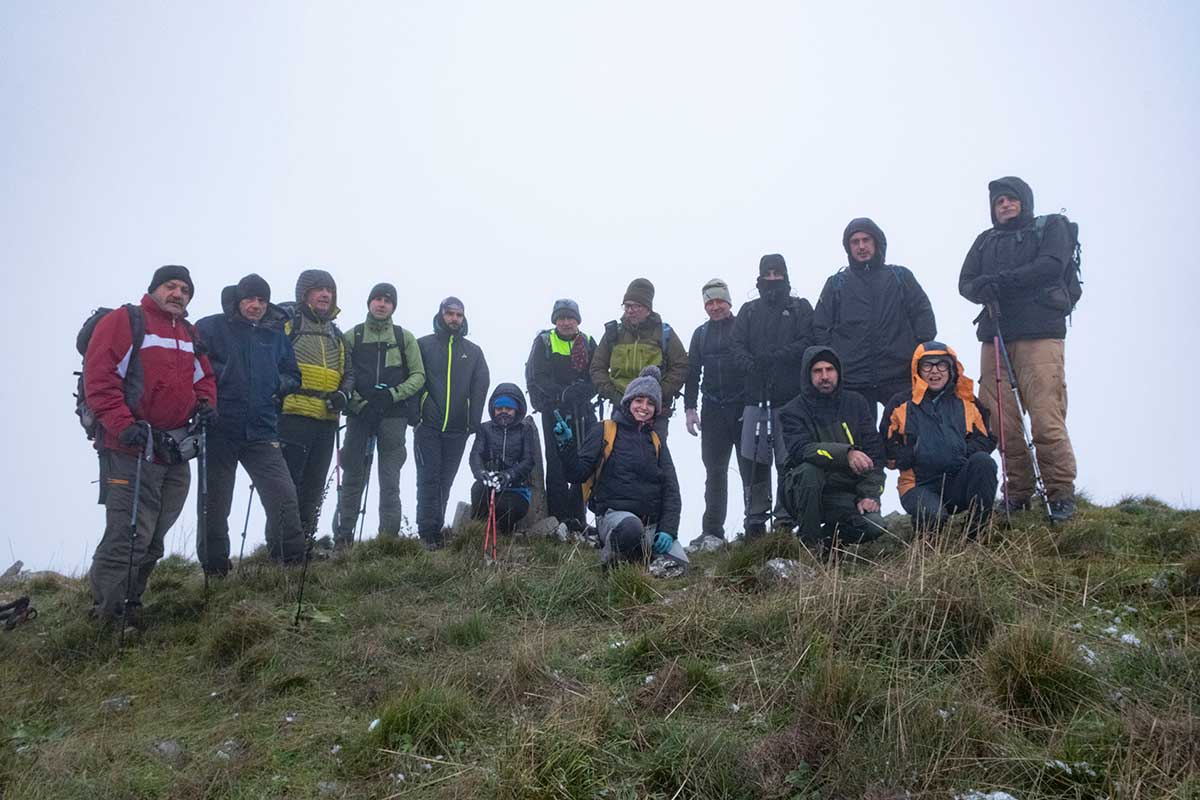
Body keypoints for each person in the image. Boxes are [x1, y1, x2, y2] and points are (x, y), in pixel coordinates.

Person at [84, 265, 217, 625]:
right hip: (129, 448)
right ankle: (107, 616)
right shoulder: (126, 320)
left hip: (173, 449)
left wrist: (206, 407)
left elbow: (203, 377)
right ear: (155, 289)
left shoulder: (189, 333)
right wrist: (122, 425)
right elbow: (100, 376)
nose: (178, 294)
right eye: (170, 286)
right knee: (128, 535)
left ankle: (131, 602)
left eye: (185, 290)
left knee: (154, 536)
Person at [958, 176, 1078, 521]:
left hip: (1040, 334)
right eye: (999, 202)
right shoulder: (985, 241)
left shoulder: (1051, 227)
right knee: (1000, 421)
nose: (1006, 205)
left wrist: (999, 283)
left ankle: (1059, 493)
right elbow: (965, 282)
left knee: (1045, 416)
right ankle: (1018, 492)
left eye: (1012, 199)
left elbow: (1052, 266)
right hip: (994, 335)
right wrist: (987, 287)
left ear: (1025, 202)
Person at [195, 275, 305, 574]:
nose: (255, 305)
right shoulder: (210, 327)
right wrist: (221, 382)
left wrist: (276, 385)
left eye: (261, 300)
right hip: (220, 429)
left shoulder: (275, 335)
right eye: (249, 299)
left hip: (262, 428)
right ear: (238, 299)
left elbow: (293, 375)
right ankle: (215, 568)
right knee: (215, 504)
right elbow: (193, 368)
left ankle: (291, 561)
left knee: (283, 494)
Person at [557, 366, 688, 571]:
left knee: (680, 566)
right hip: (614, 518)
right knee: (630, 529)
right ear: (628, 402)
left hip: (651, 527)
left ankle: (637, 561)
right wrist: (566, 446)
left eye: (650, 403)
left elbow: (671, 490)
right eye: (639, 400)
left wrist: (668, 530)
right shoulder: (605, 429)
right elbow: (577, 473)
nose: (644, 407)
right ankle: (611, 563)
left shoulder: (656, 441)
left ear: (656, 409)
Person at [812, 218, 937, 417]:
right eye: (855, 242)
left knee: (904, 438)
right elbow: (820, 326)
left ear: (877, 242)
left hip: (899, 374)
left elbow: (924, 316)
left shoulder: (900, 277)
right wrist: (836, 359)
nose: (861, 246)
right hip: (853, 378)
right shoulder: (837, 283)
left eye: (866, 240)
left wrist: (916, 351)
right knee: (859, 443)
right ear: (848, 248)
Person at [333, 283, 425, 546]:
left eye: (387, 300)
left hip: (394, 418)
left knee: (390, 480)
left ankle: (388, 540)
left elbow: (418, 376)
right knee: (352, 477)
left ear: (393, 305)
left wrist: (392, 395)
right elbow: (342, 375)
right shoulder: (353, 336)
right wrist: (361, 405)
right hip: (359, 416)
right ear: (369, 302)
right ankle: (343, 537)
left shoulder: (403, 337)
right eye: (377, 299)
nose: (382, 304)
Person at [729, 254, 815, 536]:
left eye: (778, 273)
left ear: (786, 275)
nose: (773, 278)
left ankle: (785, 517)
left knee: (788, 459)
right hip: (754, 397)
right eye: (769, 273)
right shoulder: (748, 311)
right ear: (760, 276)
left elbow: (809, 342)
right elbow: (736, 344)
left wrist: (777, 357)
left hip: (792, 399)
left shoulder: (801, 308)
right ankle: (754, 518)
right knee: (753, 458)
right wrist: (750, 365)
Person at [882, 341, 998, 535]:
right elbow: (885, 444)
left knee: (984, 463)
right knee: (933, 516)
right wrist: (911, 455)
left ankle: (976, 534)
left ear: (952, 368)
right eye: (927, 365)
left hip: (958, 481)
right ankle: (926, 544)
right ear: (917, 370)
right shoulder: (900, 404)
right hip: (917, 485)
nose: (935, 371)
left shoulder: (968, 403)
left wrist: (960, 452)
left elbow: (986, 439)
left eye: (941, 364)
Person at [779, 346, 886, 551]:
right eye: (817, 371)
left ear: (838, 372)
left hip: (844, 493)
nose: (824, 376)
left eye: (830, 369)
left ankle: (828, 542)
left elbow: (875, 454)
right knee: (810, 471)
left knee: (875, 527)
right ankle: (810, 547)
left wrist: (869, 495)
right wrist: (846, 454)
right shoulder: (792, 410)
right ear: (808, 375)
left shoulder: (856, 403)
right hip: (803, 491)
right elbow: (801, 449)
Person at [277, 269, 352, 541]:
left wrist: (343, 395)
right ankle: (283, 546)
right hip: (293, 415)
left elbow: (349, 373)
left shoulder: (336, 333)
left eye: (329, 290)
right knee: (288, 485)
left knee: (314, 485)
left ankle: (304, 542)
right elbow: (271, 363)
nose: (325, 295)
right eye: (318, 289)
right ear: (304, 294)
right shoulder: (288, 325)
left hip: (327, 418)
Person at [415, 297, 489, 549]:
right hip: (428, 427)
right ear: (441, 315)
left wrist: (473, 421)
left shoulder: (473, 351)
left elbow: (480, 386)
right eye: (450, 314)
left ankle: (436, 529)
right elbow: (415, 379)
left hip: (458, 429)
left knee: (445, 480)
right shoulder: (423, 345)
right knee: (428, 478)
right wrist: (422, 407)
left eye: (458, 314)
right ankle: (426, 532)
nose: (454, 319)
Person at [683, 278, 748, 543]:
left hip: (743, 409)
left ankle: (753, 525)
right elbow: (692, 373)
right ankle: (712, 531)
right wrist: (690, 409)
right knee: (715, 472)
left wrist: (754, 406)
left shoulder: (744, 327)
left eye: (719, 301)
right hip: (712, 411)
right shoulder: (700, 334)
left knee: (750, 471)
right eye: (710, 302)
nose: (715, 307)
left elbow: (753, 367)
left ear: (729, 302)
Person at [524, 298, 597, 531]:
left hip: (582, 411)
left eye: (571, 318)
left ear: (578, 320)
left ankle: (578, 517)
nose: (566, 322)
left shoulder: (588, 342)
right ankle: (558, 518)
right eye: (562, 318)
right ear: (556, 320)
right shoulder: (545, 341)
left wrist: (583, 391)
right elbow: (539, 376)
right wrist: (564, 393)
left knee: (580, 461)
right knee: (556, 463)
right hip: (554, 410)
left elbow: (597, 373)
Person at [590, 278, 688, 441]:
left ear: (648, 309)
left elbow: (681, 365)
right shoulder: (614, 333)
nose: (630, 310)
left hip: (655, 414)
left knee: (655, 459)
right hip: (620, 409)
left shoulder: (664, 333)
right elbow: (597, 367)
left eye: (637, 306)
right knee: (618, 459)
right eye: (627, 305)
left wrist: (656, 395)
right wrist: (614, 395)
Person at [469, 384, 536, 534]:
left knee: (506, 508)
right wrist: (481, 472)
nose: (503, 412)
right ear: (494, 409)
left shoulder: (525, 430)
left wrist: (509, 475)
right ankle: (477, 533)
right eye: (499, 408)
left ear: (517, 409)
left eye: (508, 408)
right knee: (477, 489)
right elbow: (475, 454)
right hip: (489, 483)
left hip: (517, 489)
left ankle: (505, 534)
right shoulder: (484, 429)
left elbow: (529, 460)